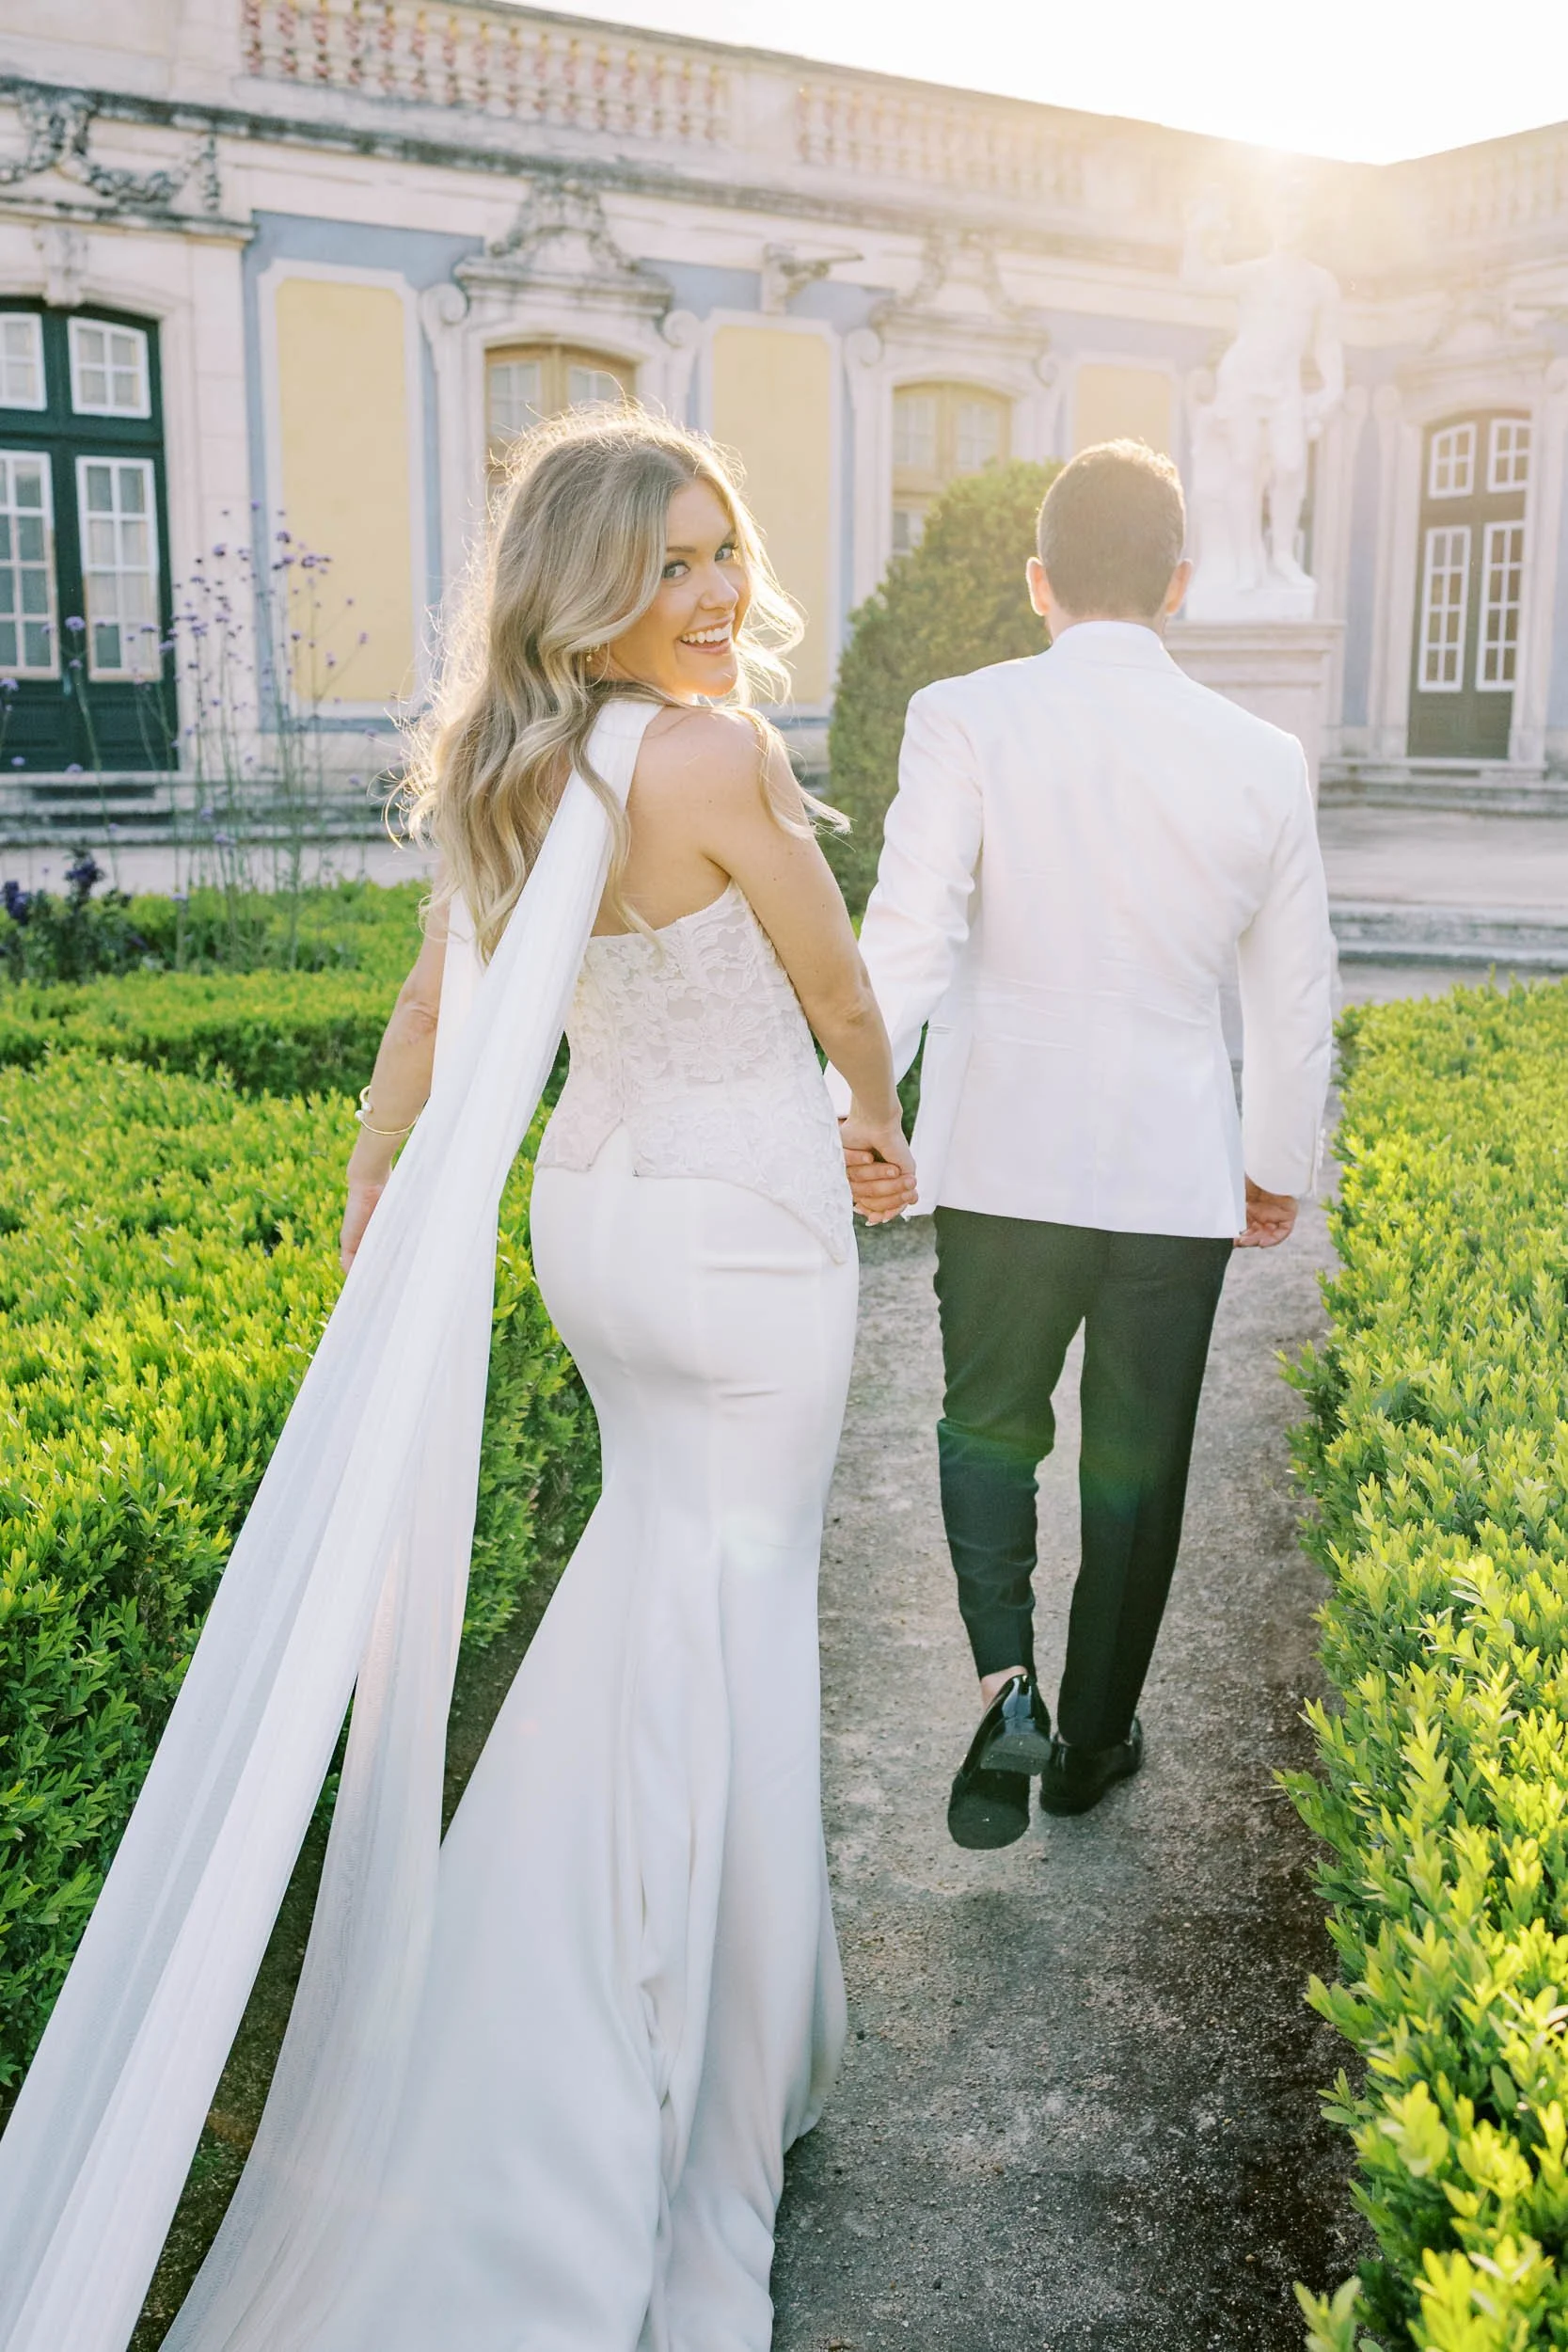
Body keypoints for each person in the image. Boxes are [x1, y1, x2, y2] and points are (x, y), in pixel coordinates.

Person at [0, 410, 913, 2352]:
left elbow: (436, 1005)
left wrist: (369, 1157)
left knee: (654, 1583)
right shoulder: (712, 750)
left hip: (594, 1222)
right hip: (747, 1234)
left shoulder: (509, 761)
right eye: (667, 564)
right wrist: (877, 1114)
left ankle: (598, 1988)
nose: (712, 593)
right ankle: (698, 2093)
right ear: (584, 585)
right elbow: (835, 982)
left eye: (720, 549)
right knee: (744, 1629)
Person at [839, 438, 1334, 1850]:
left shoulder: (963, 716)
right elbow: (1291, 992)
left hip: (1000, 1155)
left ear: (1036, 582)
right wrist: (1273, 1161)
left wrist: (859, 1111)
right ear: (1180, 584)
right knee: (1136, 1458)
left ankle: (1006, 1687)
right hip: (1173, 1171)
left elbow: (911, 926)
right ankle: (1095, 1740)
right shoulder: (1259, 756)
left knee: (987, 1423)